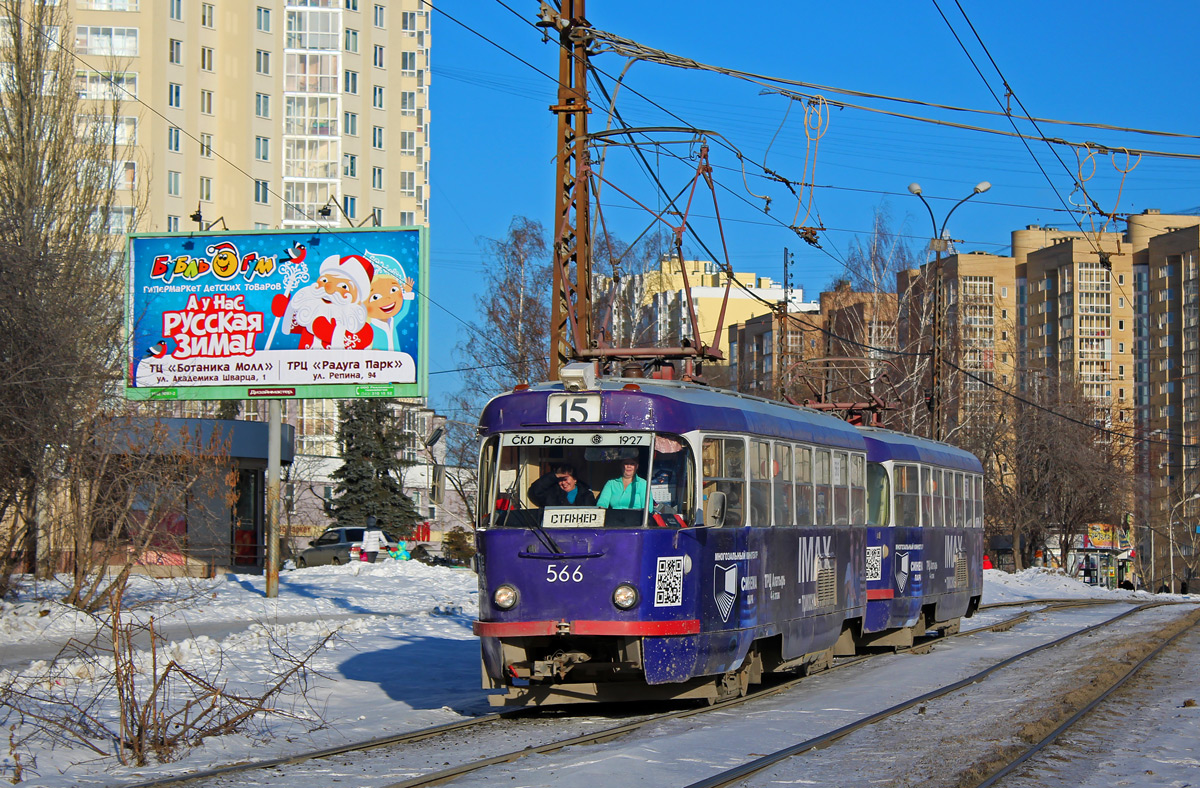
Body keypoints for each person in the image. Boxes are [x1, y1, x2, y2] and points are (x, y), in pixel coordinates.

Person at [528, 463, 596, 507]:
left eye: (565, 479)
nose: (563, 483)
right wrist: (553, 476)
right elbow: (534, 492)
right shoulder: (552, 494)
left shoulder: (586, 494)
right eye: (560, 480)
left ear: (575, 479)